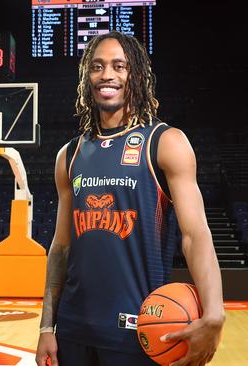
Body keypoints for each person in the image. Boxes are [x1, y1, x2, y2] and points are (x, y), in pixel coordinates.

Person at [36, 32, 224, 366]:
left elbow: (195, 236)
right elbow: (61, 247)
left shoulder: (165, 142)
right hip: (73, 331)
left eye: (118, 66)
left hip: (139, 330)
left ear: (135, 74)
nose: (107, 74)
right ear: (86, 77)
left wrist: (214, 312)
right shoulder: (70, 154)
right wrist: (46, 326)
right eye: (97, 66)